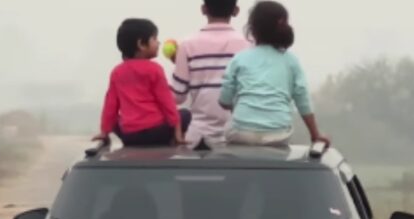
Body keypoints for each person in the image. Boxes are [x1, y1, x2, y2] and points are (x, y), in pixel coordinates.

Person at [218, 1, 330, 147]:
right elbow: (303, 99)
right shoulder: (291, 61)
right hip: (279, 134)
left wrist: (236, 106)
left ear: (252, 29)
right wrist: (315, 135)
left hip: (241, 133)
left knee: (228, 128)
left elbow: (224, 100)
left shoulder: (239, 59)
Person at [94, 18, 192, 147]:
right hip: (157, 133)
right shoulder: (154, 69)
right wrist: (177, 131)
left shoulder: (117, 72)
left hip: (130, 136)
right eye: (154, 39)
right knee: (186, 114)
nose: (158, 42)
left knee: (117, 120)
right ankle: (170, 140)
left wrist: (104, 132)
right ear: (141, 44)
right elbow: (167, 102)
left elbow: (110, 105)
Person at [168, 0, 252, 144]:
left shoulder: (187, 45)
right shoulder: (249, 44)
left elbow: (178, 96)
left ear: (203, 9)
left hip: (199, 135)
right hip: (239, 133)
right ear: (236, 11)